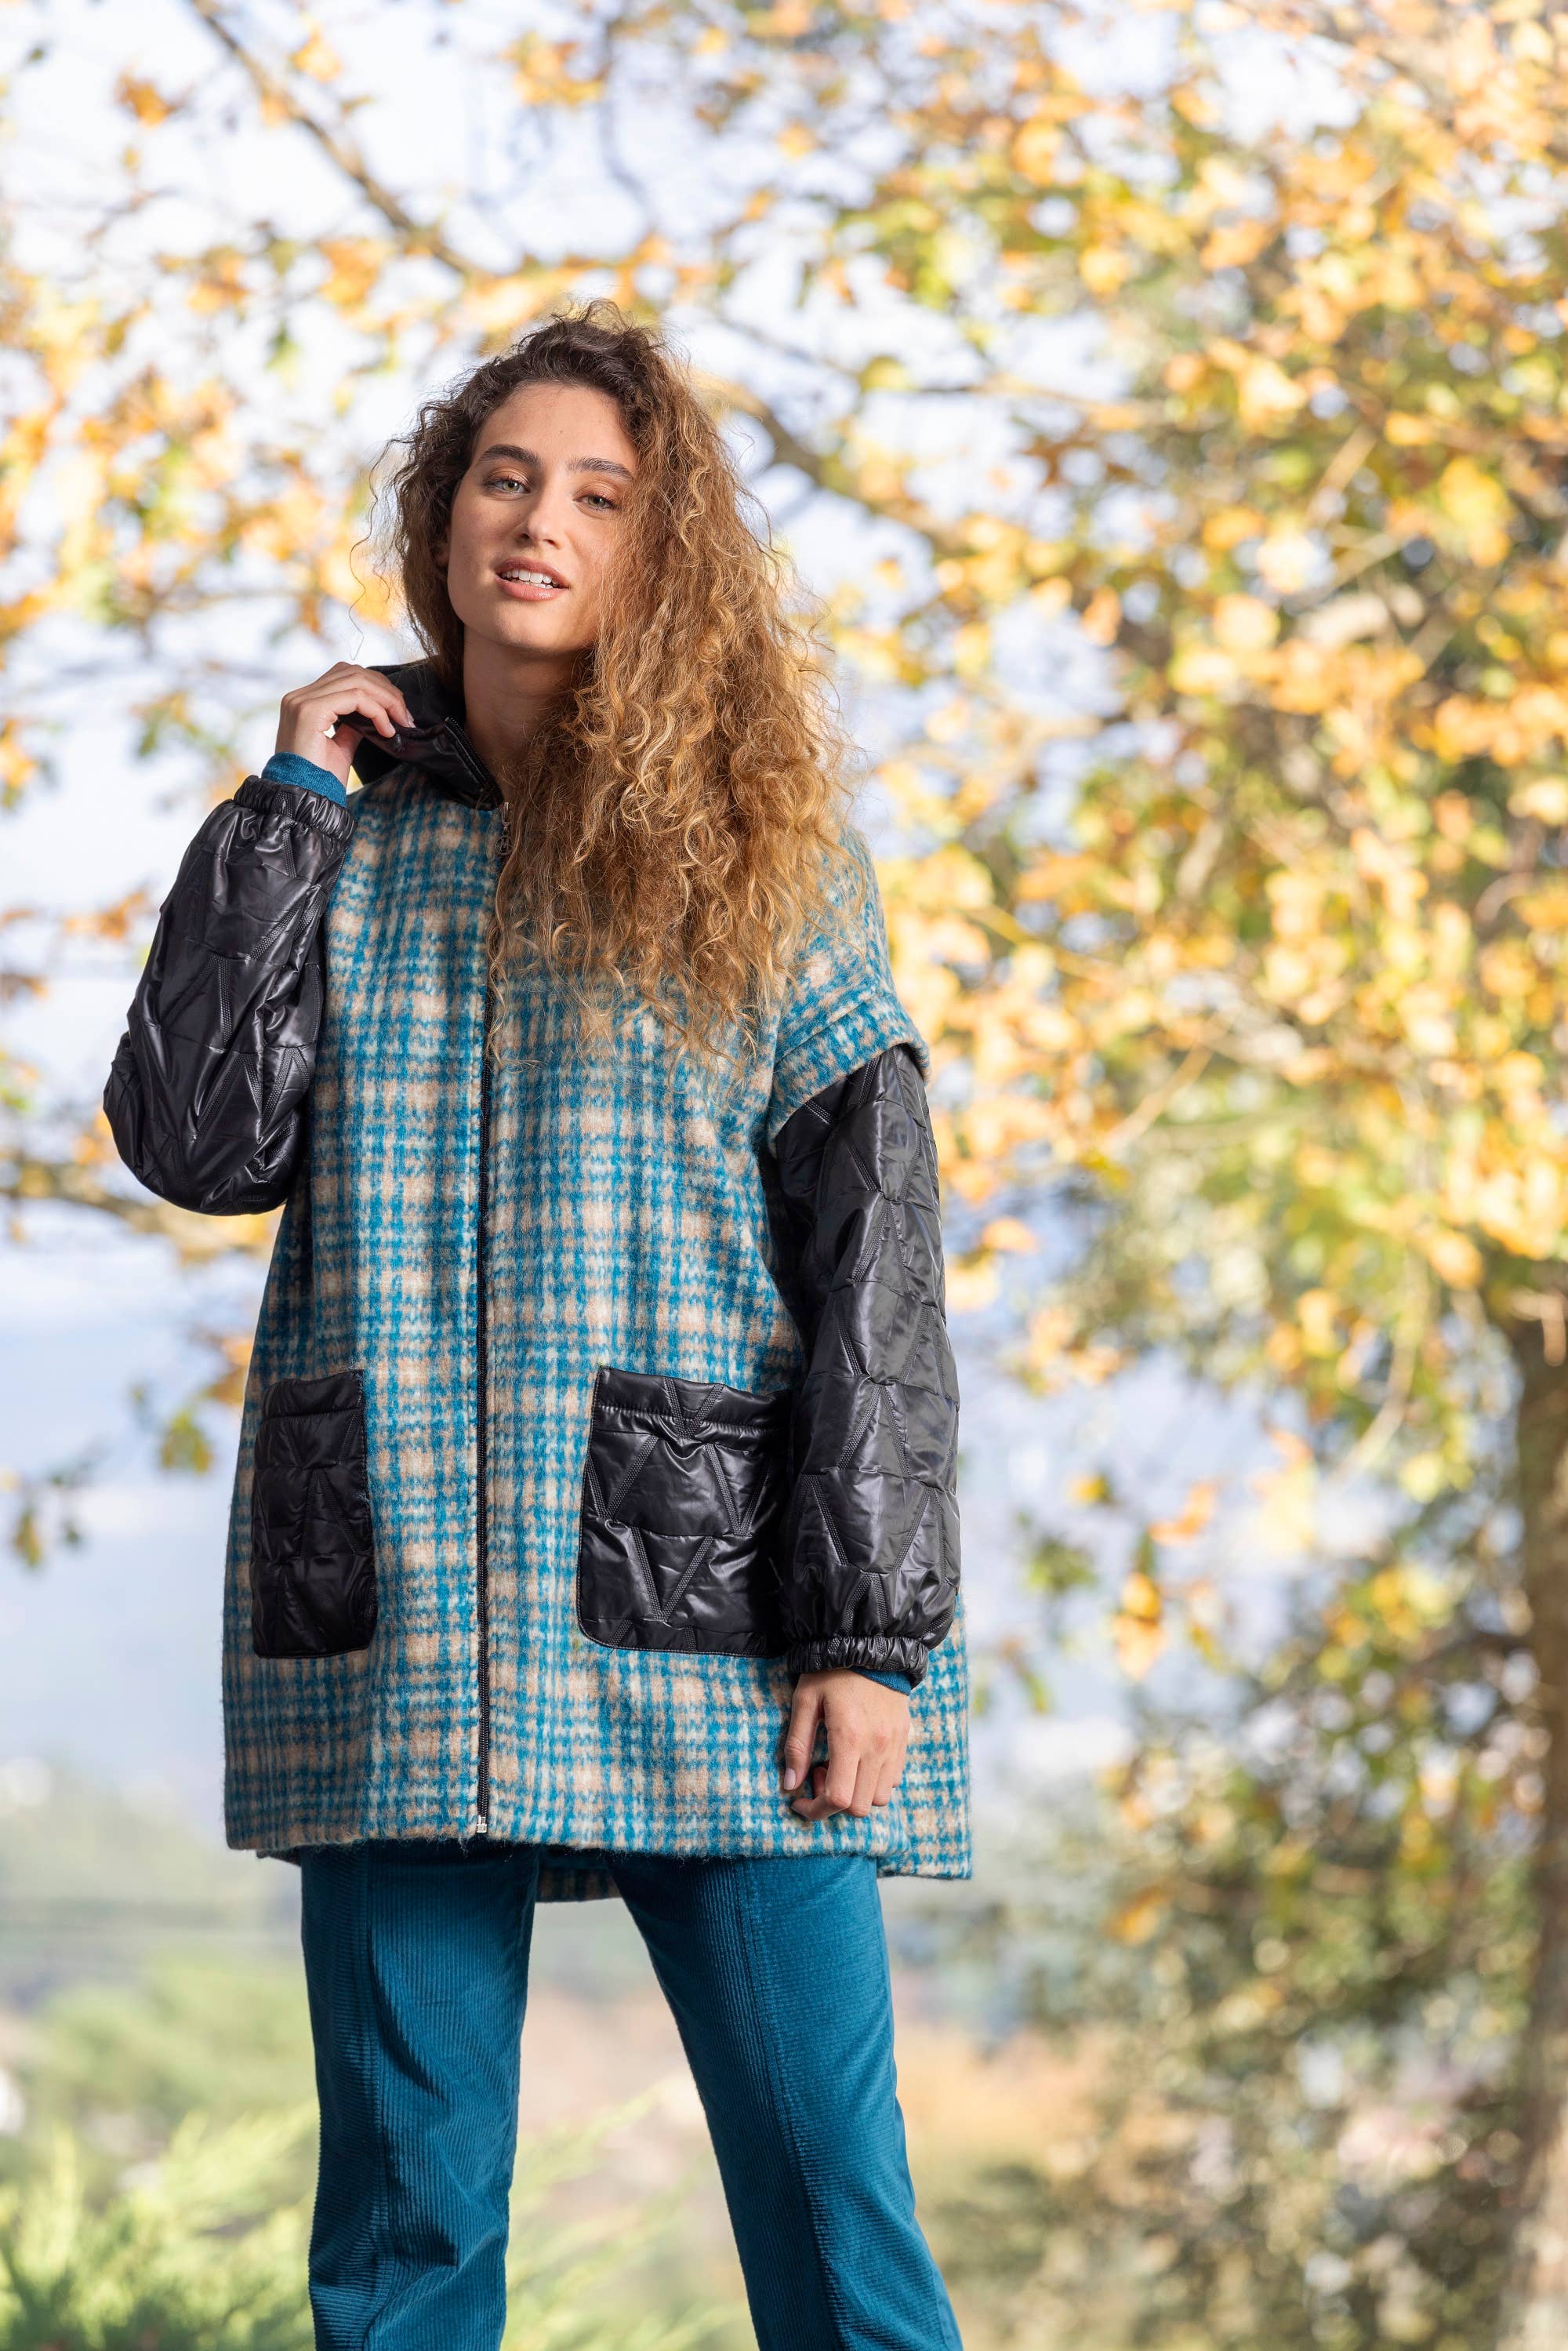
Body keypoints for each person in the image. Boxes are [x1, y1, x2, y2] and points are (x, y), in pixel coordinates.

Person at [103, 300, 969, 2351]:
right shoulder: (332, 833)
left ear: (664, 550)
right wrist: (284, 809)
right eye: (505, 478)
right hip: (394, 1601)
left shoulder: (765, 848)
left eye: (599, 493)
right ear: (444, 514)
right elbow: (198, 1143)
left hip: (711, 1613)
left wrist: (868, 1637)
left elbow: (877, 1256)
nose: (540, 522)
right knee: (402, 2241)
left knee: (838, 2225)